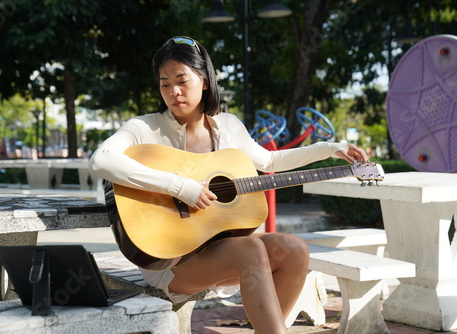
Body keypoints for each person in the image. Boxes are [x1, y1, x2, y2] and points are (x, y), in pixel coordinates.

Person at [89, 36, 367, 333]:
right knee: (250, 250)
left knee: (295, 248)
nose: (174, 91)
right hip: (171, 261)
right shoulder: (145, 127)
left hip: (224, 251)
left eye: (182, 80)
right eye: (165, 83)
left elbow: (270, 162)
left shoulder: (229, 126)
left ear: (205, 81)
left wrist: (328, 148)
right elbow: (101, 159)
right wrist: (179, 187)